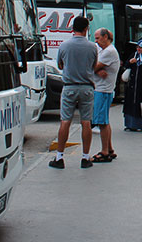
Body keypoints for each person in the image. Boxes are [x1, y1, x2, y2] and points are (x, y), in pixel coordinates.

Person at [50, 16, 97, 169]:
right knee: (86, 122)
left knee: (65, 121)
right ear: (86, 29)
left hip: (69, 86)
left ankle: (59, 157)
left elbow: (60, 64)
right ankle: (85, 157)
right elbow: (93, 65)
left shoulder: (64, 45)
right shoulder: (92, 47)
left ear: (72, 28)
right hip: (87, 87)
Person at [90, 28, 119, 163]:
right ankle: (110, 148)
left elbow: (91, 67)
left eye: (97, 38)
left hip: (103, 90)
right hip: (103, 89)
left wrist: (96, 69)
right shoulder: (103, 50)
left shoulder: (109, 52)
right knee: (104, 121)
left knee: (102, 122)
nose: (96, 41)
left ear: (106, 37)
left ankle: (104, 151)